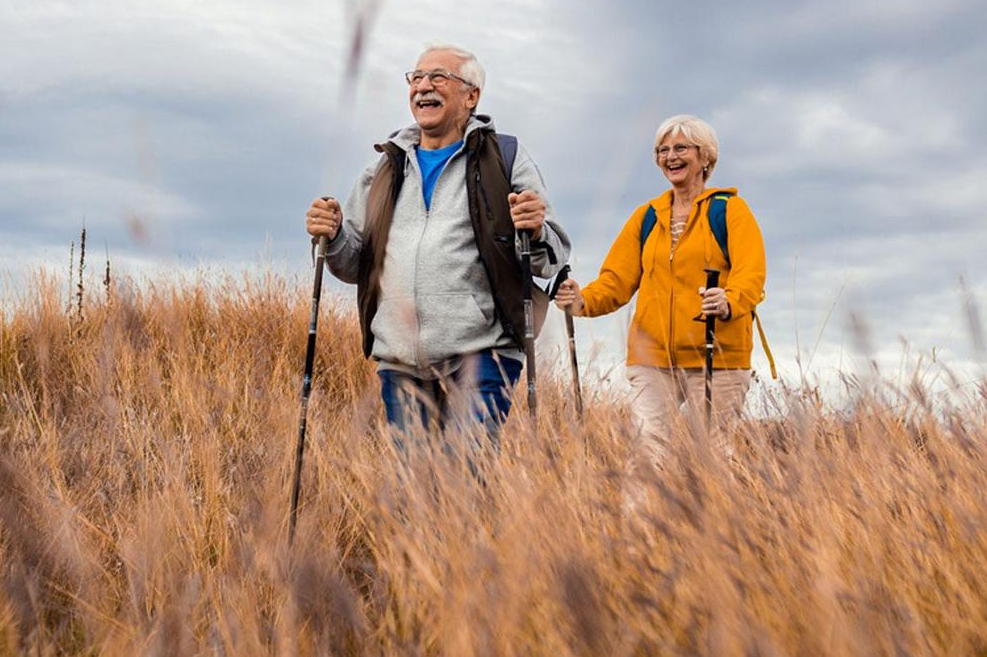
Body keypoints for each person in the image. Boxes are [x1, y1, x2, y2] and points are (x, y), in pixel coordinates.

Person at [305, 43, 569, 448]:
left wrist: (534, 230)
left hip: (482, 353)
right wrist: (335, 233)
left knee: (464, 478)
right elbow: (353, 262)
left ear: (471, 95)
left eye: (438, 77)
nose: (423, 86)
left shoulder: (504, 158)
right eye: (416, 78)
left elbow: (552, 256)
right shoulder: (384, 166)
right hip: (400, 359)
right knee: (414, 492)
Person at [553, 114, 766, 456]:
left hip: (718, 354)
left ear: (705, 156)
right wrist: (581, 301)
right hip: (651, 358)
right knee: (648, 453)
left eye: (681, 148)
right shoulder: (647, 216)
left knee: (713, 457)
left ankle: (712, 511)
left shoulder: (730, 211)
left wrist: (729, 300)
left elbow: (751, 274)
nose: (670, 157)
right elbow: (616, 281)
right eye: (661, 150)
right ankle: (639, 513)